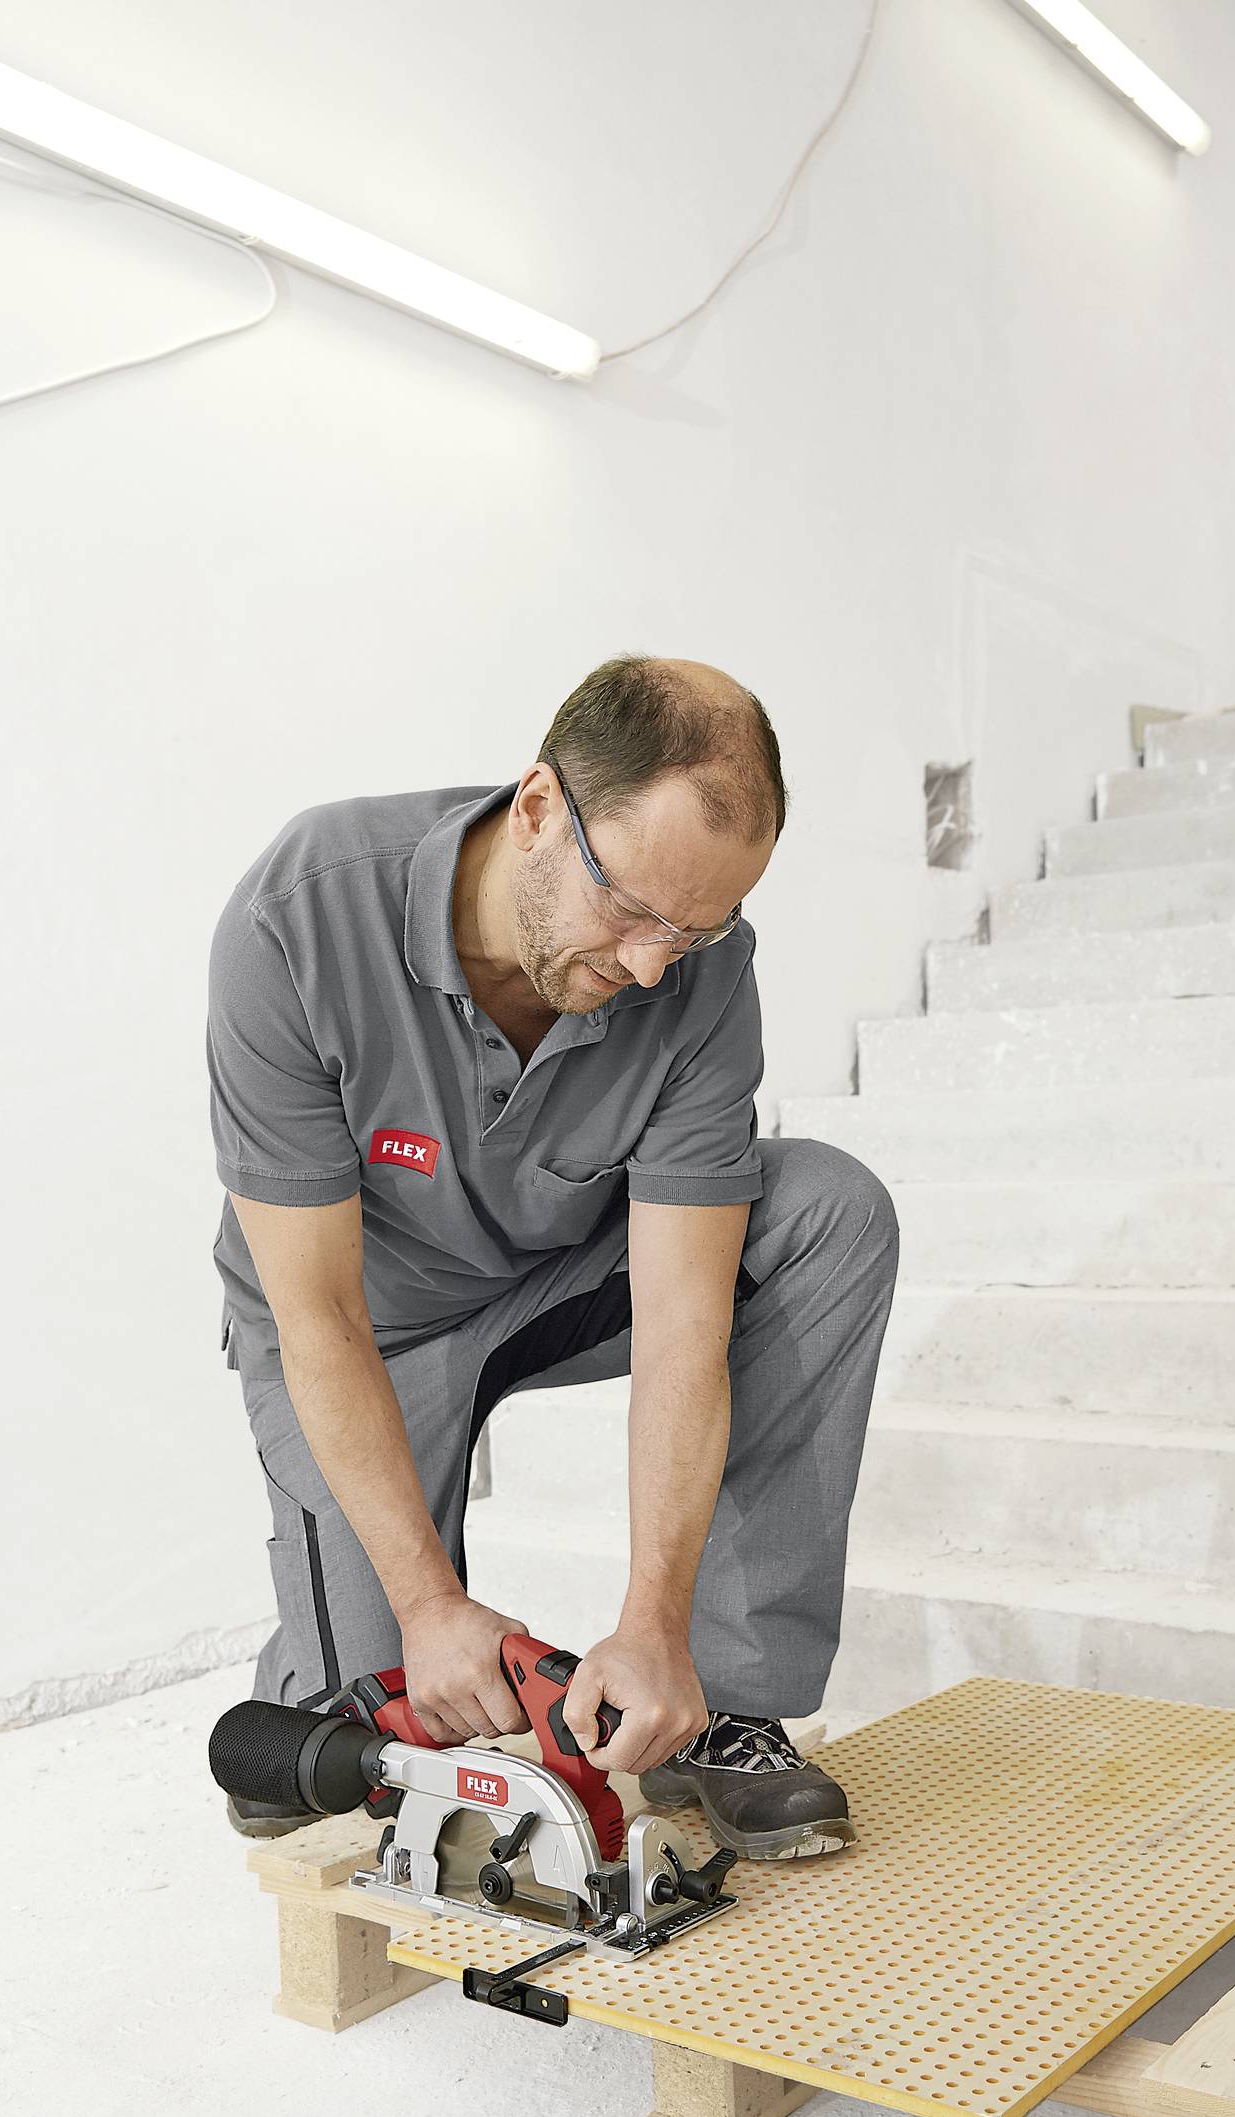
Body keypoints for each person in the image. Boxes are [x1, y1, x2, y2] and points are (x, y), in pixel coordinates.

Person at [206, 653, 900, 1863]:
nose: (648, 966)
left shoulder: (697, 974)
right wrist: (428, 1607)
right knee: (358, 1745)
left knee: (827, 1210)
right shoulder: (300, 917)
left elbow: (686, 1325)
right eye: (629, 911)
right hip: (369, 1328)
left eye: (694, 930)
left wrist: (655, 1624)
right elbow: (312, 1314)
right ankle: (330, 1665)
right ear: (537, 809)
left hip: (556, 1286)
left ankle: (725, 1708)